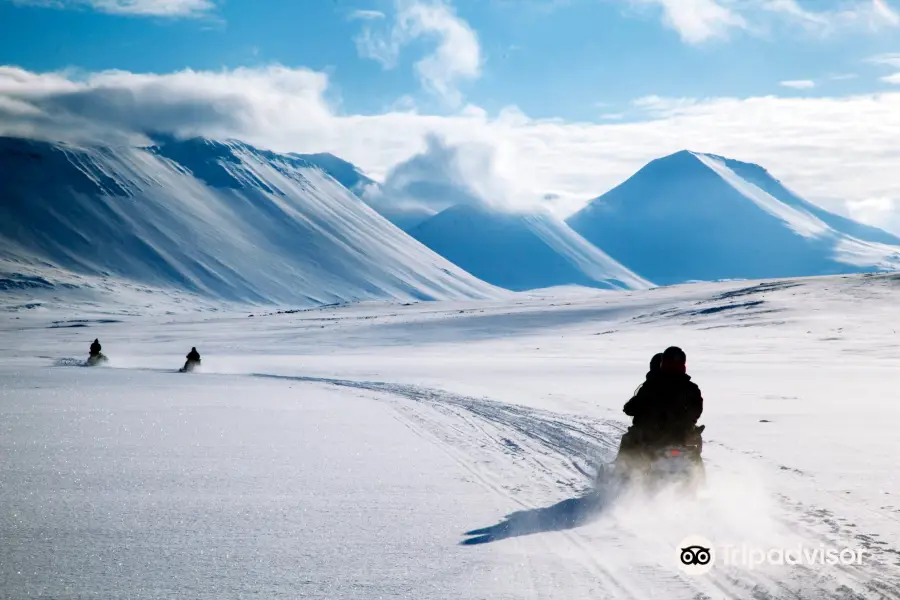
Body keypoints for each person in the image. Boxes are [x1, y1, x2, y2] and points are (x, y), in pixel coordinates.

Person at [616, 346, 704, 463]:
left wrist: (633, 409)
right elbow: (697, 409)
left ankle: (621, 472)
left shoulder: (652, 385)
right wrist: (688, 421)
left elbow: (633, 406)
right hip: (680, 437)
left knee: (629, 439)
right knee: (695, 449)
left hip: (654, 436)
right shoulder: (691, 387)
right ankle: (698, 477)